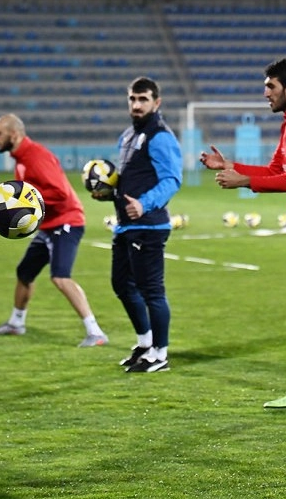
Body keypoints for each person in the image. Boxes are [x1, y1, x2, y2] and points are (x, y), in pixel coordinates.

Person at [200, 58, 286, 408]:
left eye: (270, 87)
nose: (265, 94)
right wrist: (229, 165)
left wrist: (244, 180)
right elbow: (277, 169)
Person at [0, 114, 109, 347]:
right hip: (48, 225)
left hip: (67, 222)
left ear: (14, 135)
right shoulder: (21, 158)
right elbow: (30, 190)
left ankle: (95, 332)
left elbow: (60, 193)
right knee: (24, 273)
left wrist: (22, 200)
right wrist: (1, 190)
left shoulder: (36, 156)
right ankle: (16, 323)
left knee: (60, 276)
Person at [102, 76, 182, 373]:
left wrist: (143, 204)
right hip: (126, 225)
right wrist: (107, 192)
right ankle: (145, 343)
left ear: (156, 103)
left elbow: (172, 179)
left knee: (152, 291)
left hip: (149, 226)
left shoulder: (160, 136)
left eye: (143, 99)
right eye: (133, 99)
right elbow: (128, 178)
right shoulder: (128, 135)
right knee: (122, 285)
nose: (136, 105)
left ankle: (160, 354)